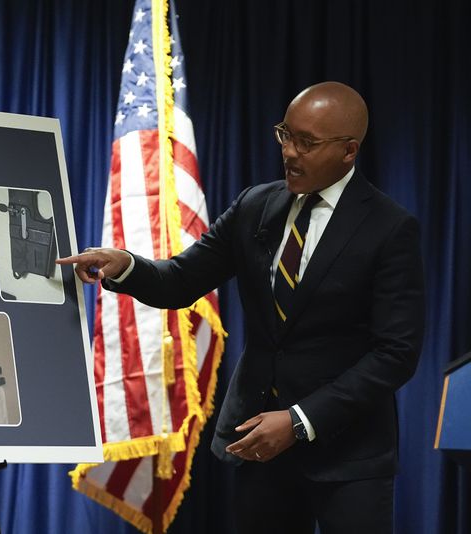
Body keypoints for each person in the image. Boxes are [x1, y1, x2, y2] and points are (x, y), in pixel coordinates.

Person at [57, 81, 425, 534]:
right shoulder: (256, 205)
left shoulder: (389, 229)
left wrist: (298, 421)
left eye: (306, 142)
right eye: (284, 134)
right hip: (256, 447)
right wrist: (126, 266)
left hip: (348, 456)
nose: (289, 152)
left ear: (349, 151)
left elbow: (396, 354)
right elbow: (180, 280)